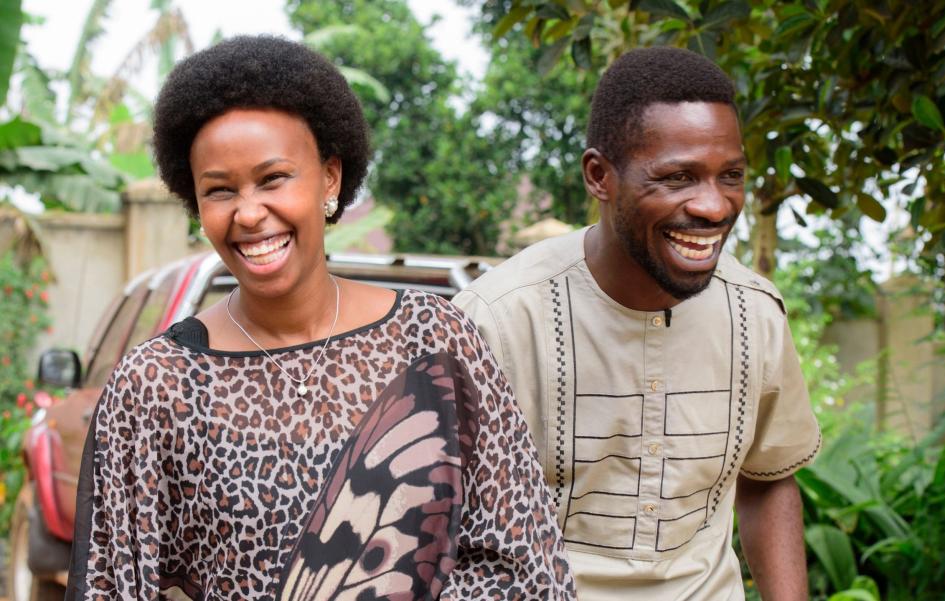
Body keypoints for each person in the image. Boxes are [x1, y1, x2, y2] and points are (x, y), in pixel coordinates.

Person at [65, 35, 575, 601]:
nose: (250, 212)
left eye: (273, 178)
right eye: (220, 190)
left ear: (330, 177)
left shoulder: (434, 340)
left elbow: (522, 559)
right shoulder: (157, 386)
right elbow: (111, 583)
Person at [454, 46, 820, 600]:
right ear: (600, 175)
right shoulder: (496, 323)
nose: (714, 206)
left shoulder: (755, 314)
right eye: (678, 177)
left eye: (731, 176)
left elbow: (767, 482)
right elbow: (433, 519)